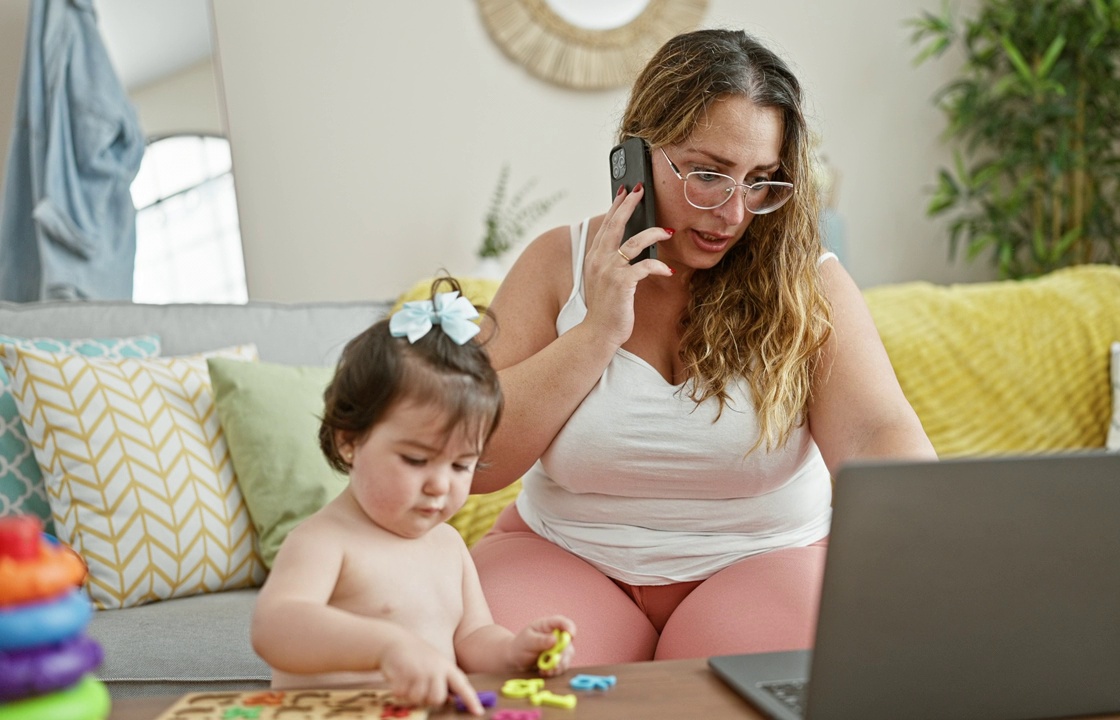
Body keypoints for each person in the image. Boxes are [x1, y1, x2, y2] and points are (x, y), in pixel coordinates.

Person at [469, 29, 937, 665]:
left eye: (759, 180)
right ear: (635, 154)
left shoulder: (808, 282)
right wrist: (597, 332)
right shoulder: (557, 262)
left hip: (765, 561)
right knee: (503, 685)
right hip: (564, 553)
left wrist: (942, 532)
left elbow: (877, 434)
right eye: (708, 173)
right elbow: (476, 462)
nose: (733, 211)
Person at [251, 278, 576, 714]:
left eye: (461, 465)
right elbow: (275, 628)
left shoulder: (447, 545)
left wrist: (514, 650)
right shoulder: (324, 540)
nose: (440, 484)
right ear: (350, 441)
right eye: (416, 460)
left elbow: (473, 636)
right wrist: (386, 646)